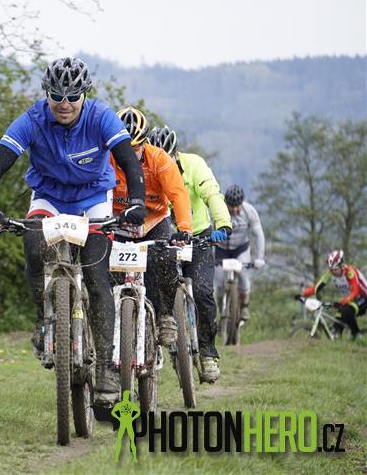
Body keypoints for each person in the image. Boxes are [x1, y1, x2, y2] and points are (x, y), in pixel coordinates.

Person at [0, 57, 147, 408]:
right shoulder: (32, 119)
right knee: (33, 242)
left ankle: (106, 369)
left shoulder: (101, 117)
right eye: (56, 96)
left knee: (98, 277)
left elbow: (129, 162)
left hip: (93, 198)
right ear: (47, 94)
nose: (64, 103)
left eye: (72, 96)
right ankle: (44, 322)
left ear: (84, 94)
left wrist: (136, 202)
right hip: (49, 197)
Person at [148, 125, 232, 383]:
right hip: (164, 239)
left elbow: (211, 193)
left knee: (203, 292)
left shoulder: (195, 165)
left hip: (198, 237)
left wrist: (222, 224)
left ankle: (207, 352)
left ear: (176, 154)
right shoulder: (148, 170)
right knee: (152, 288)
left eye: (169, 157)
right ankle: (154, 338)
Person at [111, 107, 193, 347]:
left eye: (135, 147)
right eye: (123, 147)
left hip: (154, 220)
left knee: (165, 259)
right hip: (118, 222)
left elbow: (178, 194)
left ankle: (165, 315)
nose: (128, 153)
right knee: (102, 266)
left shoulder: (159, 159)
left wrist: (184, 228)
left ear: (144, 143)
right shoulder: (106, 159)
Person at [214, 185, 266, 326]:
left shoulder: (250, 211)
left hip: (240, 249)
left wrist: (260, 258)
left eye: (237, 206)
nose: (234, 209)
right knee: (219, 282)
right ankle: (221, 306)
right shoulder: (218, 210)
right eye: (231, 206)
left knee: (243, 275)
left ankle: (244, 306)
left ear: (242, 203)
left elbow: (259, 234)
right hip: (221, 249)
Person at [298, 250, 366, 340]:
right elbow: (316, 288)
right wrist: (302, 294)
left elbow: (355, 292)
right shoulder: (330, 274)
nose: (333, 272)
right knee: (338, 316)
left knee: (347, 311)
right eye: (331, 269)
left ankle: (357, 335)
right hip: (351, 299)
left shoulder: (350, 272)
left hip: (363, 297)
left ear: (341, 266)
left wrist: (342, 302)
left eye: (335, 269)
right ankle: (337, 338)